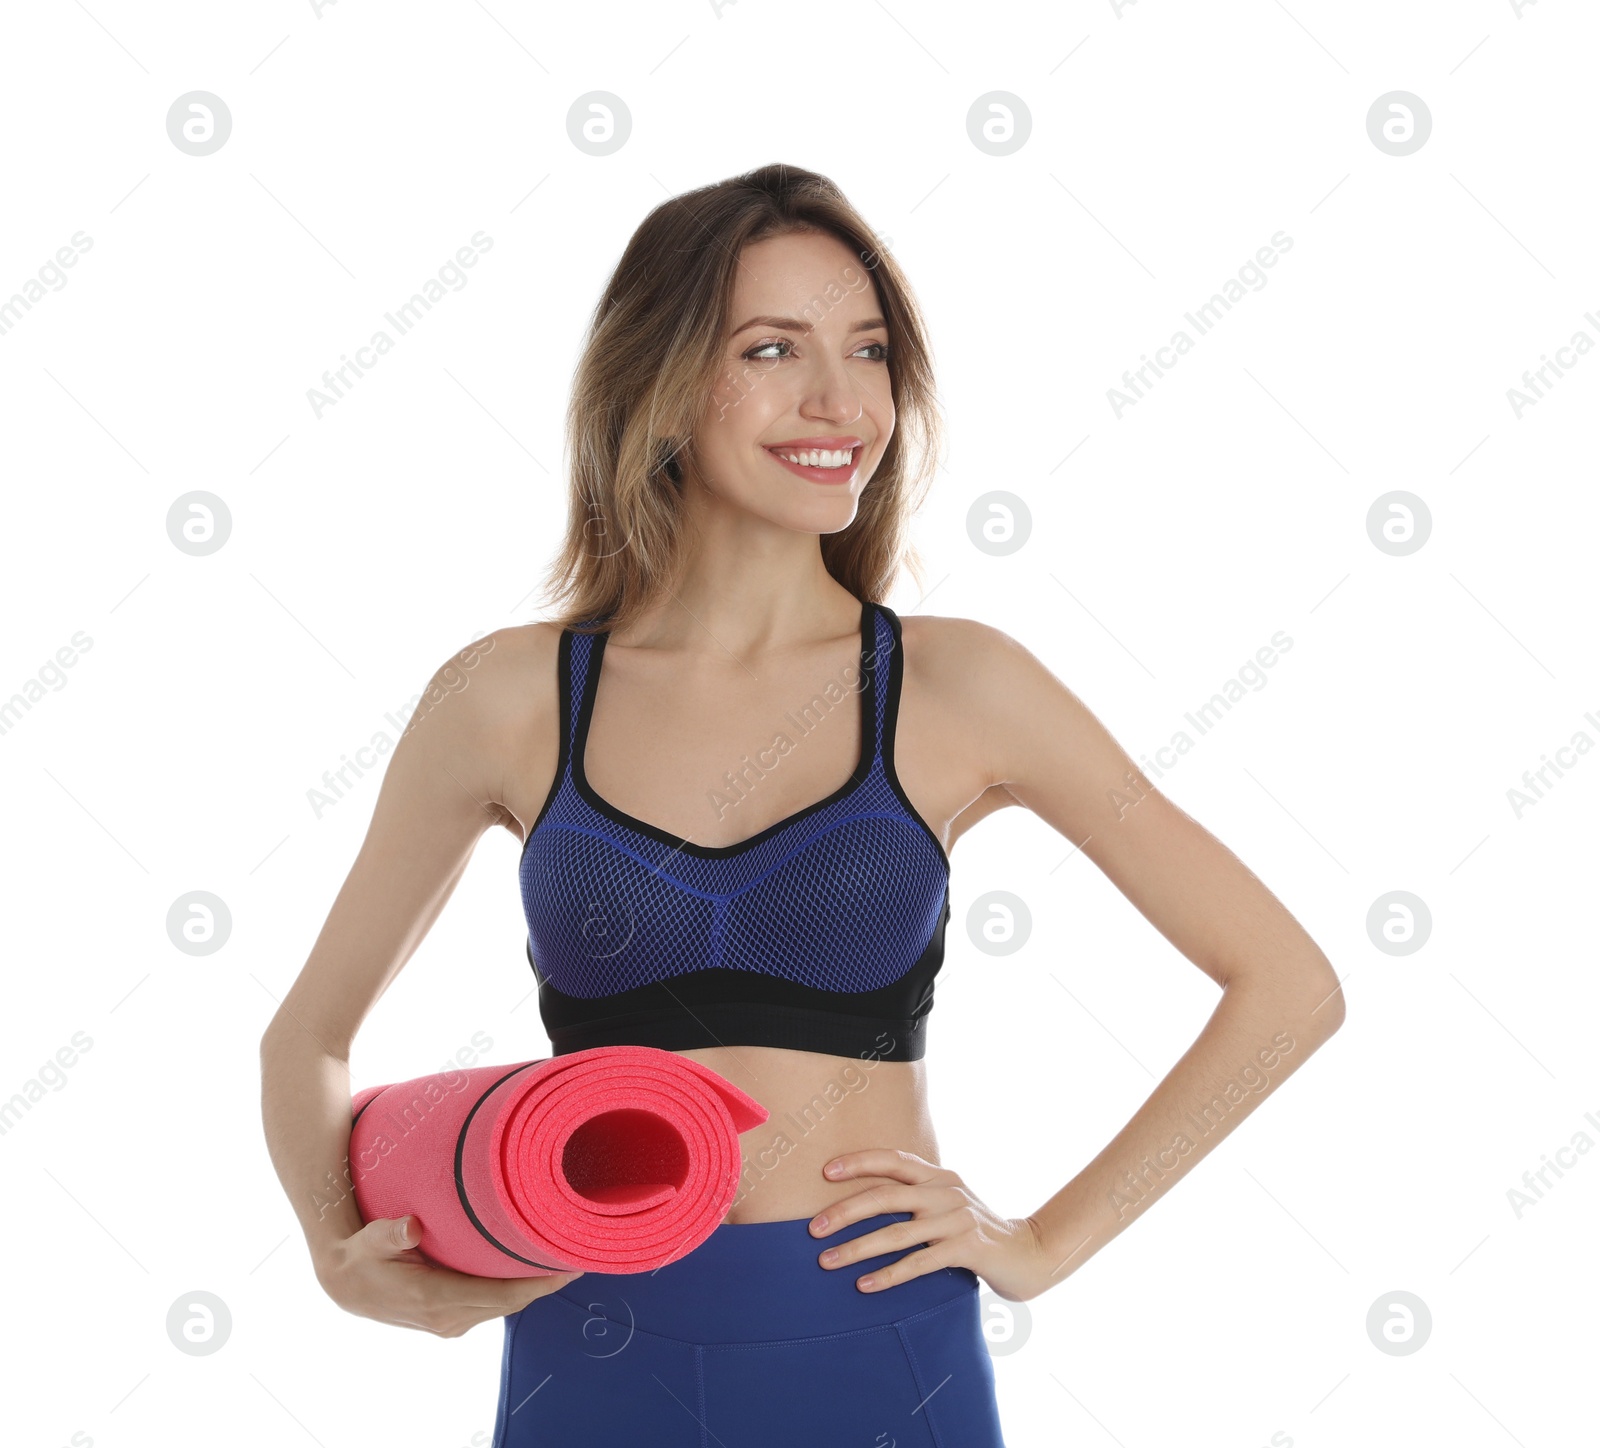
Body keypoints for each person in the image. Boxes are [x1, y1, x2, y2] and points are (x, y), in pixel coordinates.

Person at [260, 162, 1346, 1447]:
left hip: (874, 1334)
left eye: (869, 350)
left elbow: (1287, 986)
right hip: (588, 1339)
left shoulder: (960, 684)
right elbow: (308, 1041)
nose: (840, 401)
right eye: (772, 349)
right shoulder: (505, 697)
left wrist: (1044, 1241)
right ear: (655, 386)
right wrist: (338, 1249)